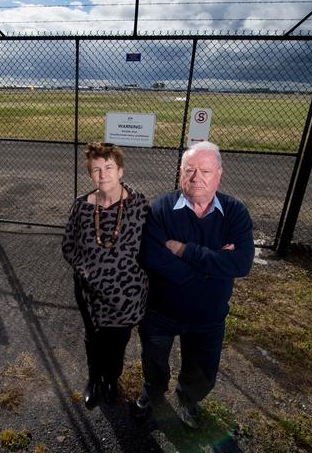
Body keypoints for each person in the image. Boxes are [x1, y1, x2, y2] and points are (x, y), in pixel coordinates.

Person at [134, 141, 254, 428]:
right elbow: (153, 258)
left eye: (205, 171)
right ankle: (153, 395)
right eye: (189, 170)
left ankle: (189, 399)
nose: (196, 177)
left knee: (202, 370)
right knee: (154, 361)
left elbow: (241, 264)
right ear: (180, 172)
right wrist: (212, 270)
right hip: (161, 311)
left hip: (208, 316)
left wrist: (185, 251)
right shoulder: (160, 209)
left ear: (219, 175)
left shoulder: (235, 212)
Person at [62, 141, 149, 408]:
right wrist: (86, 271)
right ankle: (94, 379)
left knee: (118, 342)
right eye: (97, 169)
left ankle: (112, 378)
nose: (103, 174)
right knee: (93, 339)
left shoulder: (140, 205)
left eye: (109, 167)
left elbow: (151, 249)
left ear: (120, 171)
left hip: (127, 295)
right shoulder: (81, 206)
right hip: (90, 295)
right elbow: (68, 245)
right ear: (90, 174)